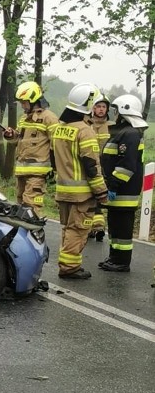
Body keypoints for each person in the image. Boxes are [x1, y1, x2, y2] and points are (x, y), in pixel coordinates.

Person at [50, 83, 108, 280]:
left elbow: (53, 159)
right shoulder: (85, 131)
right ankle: (69, 267)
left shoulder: (59, 129)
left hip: (62, 190)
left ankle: (67, 263)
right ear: (89, 104)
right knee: (79, 229)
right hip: (81, 194)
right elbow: (92, 165)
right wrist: (101, 191)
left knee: (67, 228)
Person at [99, 94, 148, 273]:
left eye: (116, 110)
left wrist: (113, 185)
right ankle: (114, 257)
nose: (113, 113)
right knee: (114, 226)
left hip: (124, 190)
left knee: (123, 228)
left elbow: (127, 165)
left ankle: (122, 261)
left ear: (124, 111)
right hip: (118, 189)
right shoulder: (123, 131)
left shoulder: (131, 134)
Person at [2, 81, 58, 217]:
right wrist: (11, 135)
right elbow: (19, 141)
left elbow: (57, 145)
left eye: (24, 102)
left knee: (31, 207)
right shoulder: (24, 118)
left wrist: (55, 168)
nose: (22, 105)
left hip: (37, 174)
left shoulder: (49, 118)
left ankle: (34, 235)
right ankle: (23, 236)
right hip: (21, 171)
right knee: (20, 207)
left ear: (34, 100)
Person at [85, 94, 111, 240]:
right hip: (91, 166)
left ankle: (98, 227)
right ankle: (95, 227)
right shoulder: (87, 125)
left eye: (103, 107)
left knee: (98, 198)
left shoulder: (111, 126)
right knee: (90, 198)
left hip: (106, 168)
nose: (101, 110)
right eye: (98, 106)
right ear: (92, 108)